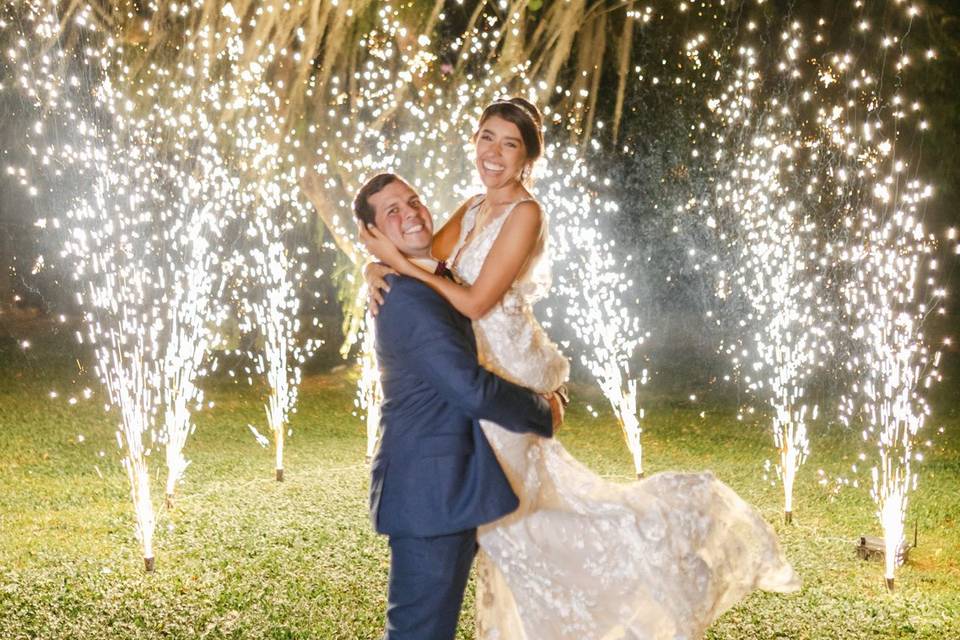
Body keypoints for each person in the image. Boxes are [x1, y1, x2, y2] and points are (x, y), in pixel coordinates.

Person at [359, 97, 801, 639]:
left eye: (509, 143)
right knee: (516, 535)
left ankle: (646, 569)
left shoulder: (526, 213)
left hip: (506, 370)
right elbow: (431, 258)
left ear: (527, 159)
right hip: (470, 376)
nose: (493, 152)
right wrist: (376, 265)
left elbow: (471, 300)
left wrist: (398, 265)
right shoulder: (473, 207)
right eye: (486, 137)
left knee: (528, 527)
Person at [353, 172, 567, 640]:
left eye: (413, 200)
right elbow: (469, 387)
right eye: (393, 211)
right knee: (418, 632)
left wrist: (374, 266)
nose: (410, 213)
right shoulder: (408, 298)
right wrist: (542, 410)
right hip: (431, 491)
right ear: (372, 235)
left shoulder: (430, 279)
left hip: (459, 482)